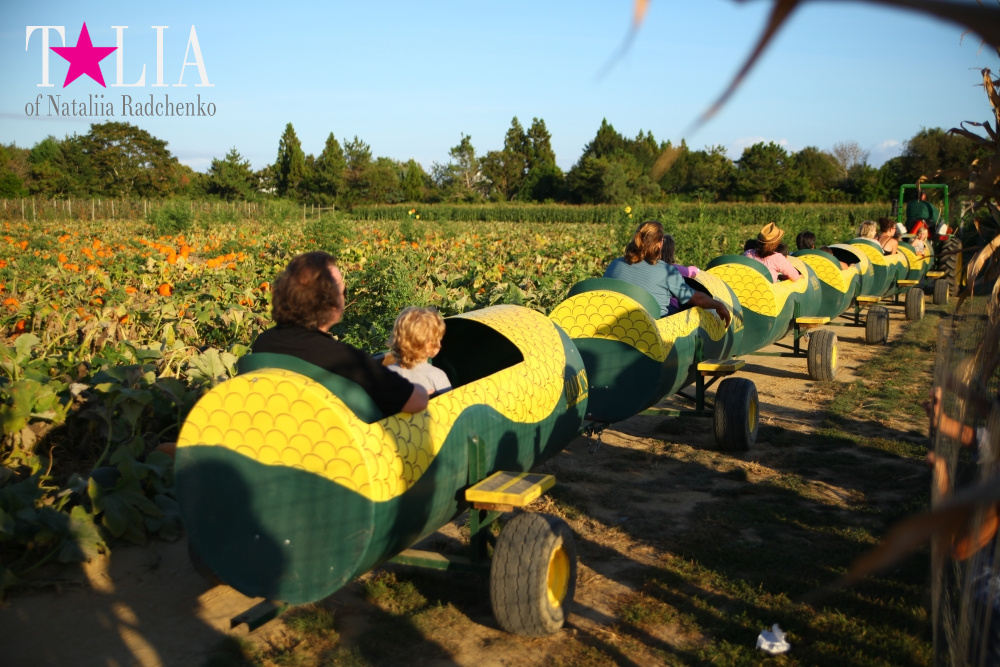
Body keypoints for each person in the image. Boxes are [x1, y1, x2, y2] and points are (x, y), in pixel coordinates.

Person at [252, 251, 429, 415]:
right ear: (331, 303)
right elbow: (415, 401)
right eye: (344, 292)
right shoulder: (343, 359)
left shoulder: (262, 344)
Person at [605, 220, 731, 325]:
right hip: (653, 329)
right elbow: (696, 298)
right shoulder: (666, 270)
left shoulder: (615, 264)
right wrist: (719, 305)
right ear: (660, 245)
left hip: (617, 323)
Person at [383, 306, 452, 396]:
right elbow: (450, 406)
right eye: (438, 339)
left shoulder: (387, 374)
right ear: (431, 346)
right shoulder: (437, 376)